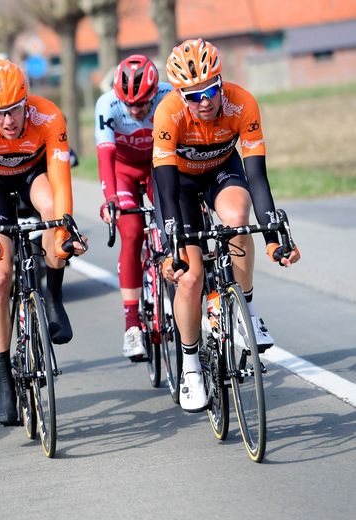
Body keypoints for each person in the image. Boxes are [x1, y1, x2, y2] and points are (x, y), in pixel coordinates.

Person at [152, 39, 301, 412]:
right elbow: (167, 193)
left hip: (222, 170)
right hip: (179, 187)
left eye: (210, 90)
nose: (203, 101)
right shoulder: (168, 113)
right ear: (179, 94)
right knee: (190, 277)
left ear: (221, 82)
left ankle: (245, 311)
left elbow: (258, 180)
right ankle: (189, 368)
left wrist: (272, 239)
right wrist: (173, 250)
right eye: (192, 95)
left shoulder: (242, 103)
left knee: (236, 218)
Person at [0, 59, 87, 425]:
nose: (8, 121)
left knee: (53, 212)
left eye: (14, 110)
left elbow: (62, 183)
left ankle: (54, 298)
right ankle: (4, 385)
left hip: (34, 175)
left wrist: (64, 229)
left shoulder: (48, 116)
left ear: (25, 101)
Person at [95, 55, 173, 360]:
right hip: (123, 171)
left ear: (154, 93)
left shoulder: (169, 96)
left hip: (157, 166)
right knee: (131, 233)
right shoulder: (107, 105)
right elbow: (105, 155)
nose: (136, 110)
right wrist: (110, 200)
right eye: (129, 104)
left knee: (173, 224)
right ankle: (131, 325)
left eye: (142, 104)